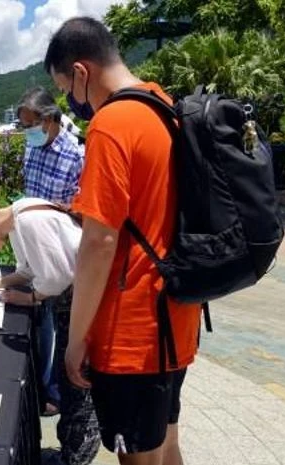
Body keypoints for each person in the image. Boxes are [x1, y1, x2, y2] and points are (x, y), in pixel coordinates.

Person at [44, 17, 201, 465]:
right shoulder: (162, 105)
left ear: (81, 71)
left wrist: (74, 343)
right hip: (177, 316)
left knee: (139, 458)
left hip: (132, 333)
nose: (71, 101)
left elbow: (99, 243)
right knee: (166, 444)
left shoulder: (112, 123)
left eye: (66, 88)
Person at [0, 196, 100, 465]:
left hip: (85, 302)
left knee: (78, 381)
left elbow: (56, 278)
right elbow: (29, 271)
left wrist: (29, 298)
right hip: (76, 299)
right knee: (69, 379)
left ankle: (75, 459)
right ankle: (68, 452)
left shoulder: (29, 222)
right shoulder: (18, 216)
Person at [16, 86, 85, 418]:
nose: (27, 132)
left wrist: (68, 207)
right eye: (23, 126)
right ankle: (42, 387)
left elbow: (89, 209)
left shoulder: (76, 154)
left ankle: (55, 394)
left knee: (57, 326)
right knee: (41, 321)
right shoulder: (32, 149)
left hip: (64, 255)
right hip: (35, 250)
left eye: (30, 124)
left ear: (49, 119)